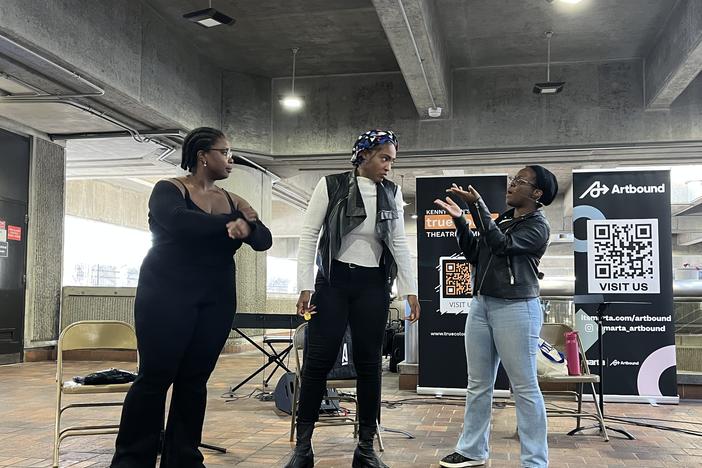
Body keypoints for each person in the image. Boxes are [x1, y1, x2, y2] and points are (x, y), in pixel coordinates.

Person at [110, 127, 272, 467]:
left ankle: (183, 458)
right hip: (165, 293)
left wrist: (248, 227)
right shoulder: (169, 189)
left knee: (195, 381)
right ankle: (131, 459)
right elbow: (181, 222)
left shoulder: (232, 198)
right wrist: (235, 224)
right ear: (203, 155)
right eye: (225, 152)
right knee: (155, 378)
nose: (231, 160)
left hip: (216, 298)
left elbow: (263, 238)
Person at [285, 129, 420, 468]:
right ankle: (303, 448)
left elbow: (399, 244)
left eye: (392, 160)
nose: (388, 166)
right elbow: (309, 235)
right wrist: (305, 285)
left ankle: (365, 448)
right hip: (332, 281)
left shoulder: (392, 192)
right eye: (384, 158)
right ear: (363, 155)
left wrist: (410, 291)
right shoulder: (330, 185)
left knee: (370, 365)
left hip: (374, 284)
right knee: (317, 362)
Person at [434, 165, 558, 468]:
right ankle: (472, 450)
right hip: (481, 305)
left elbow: (502, 246)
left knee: (525, 386)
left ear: (537, 193)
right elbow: (475, 253)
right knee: (478, 384)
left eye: (520, 181)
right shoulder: (503, 220)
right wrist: (461, 222)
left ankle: (535, 461)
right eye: (513, 180)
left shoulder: (538, 226)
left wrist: (477, 206)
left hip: (516, 307)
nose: (512, 185)